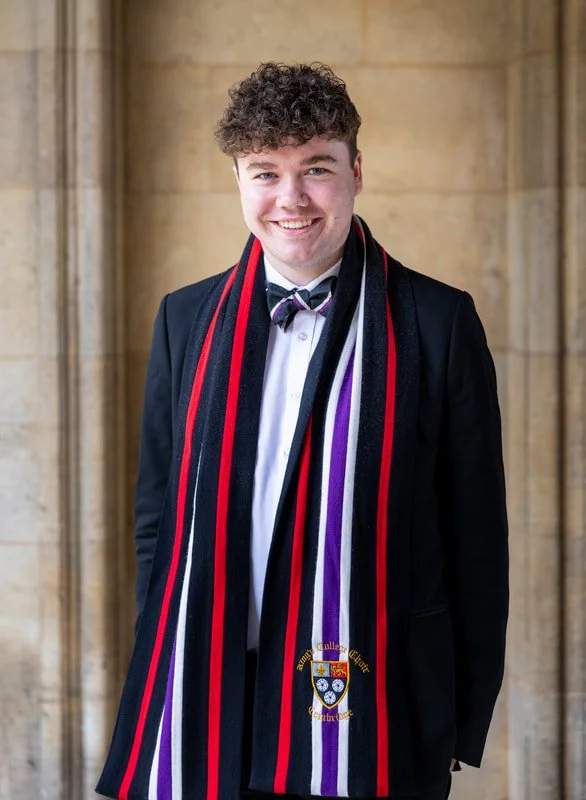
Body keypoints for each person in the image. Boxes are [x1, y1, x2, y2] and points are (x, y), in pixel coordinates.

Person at [97, 62, 508, 800]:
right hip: (208, 691)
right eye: (265, 172)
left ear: (356, 171)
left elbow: (477, 542)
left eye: (315, 168)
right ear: (238, 179)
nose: (290, 199)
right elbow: (158, 521)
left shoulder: (438, 323)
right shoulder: (185, 320)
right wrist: (163, 661)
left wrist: (457, 720)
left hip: (374, 701)